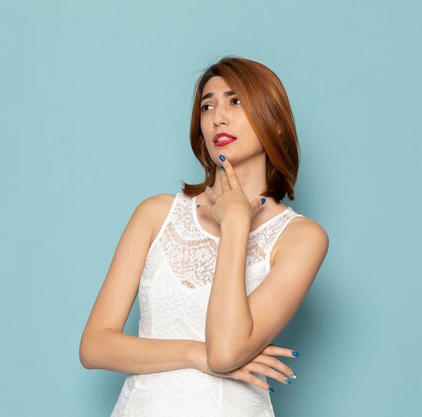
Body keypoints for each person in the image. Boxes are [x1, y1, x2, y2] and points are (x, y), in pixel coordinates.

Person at [79, 56, 329, 417]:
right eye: (207, 105)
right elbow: (95, 346)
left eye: (235, 101)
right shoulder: (156, 214)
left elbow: (226, 351)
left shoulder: (302, 238)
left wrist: (236, 224)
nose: (218, 117)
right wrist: (196, 354)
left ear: (275, 123)